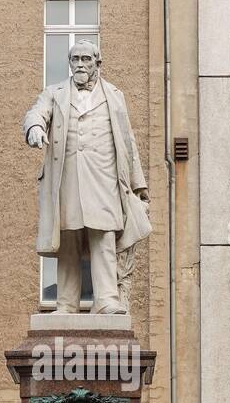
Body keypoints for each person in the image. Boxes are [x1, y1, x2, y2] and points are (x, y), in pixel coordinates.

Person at [23, 41, 151, 314]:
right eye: (74, 59)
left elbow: (128, 141)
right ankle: (66, 304)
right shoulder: (54, 93)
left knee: (103, 235)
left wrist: (139, 186)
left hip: (104, 177)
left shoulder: (115, 95)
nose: (79, 64)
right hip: (66, 177)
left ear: (97, 63)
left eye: (85, 59)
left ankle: (106, 300)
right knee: (68, 237)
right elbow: (36, 112)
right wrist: (34, 127)